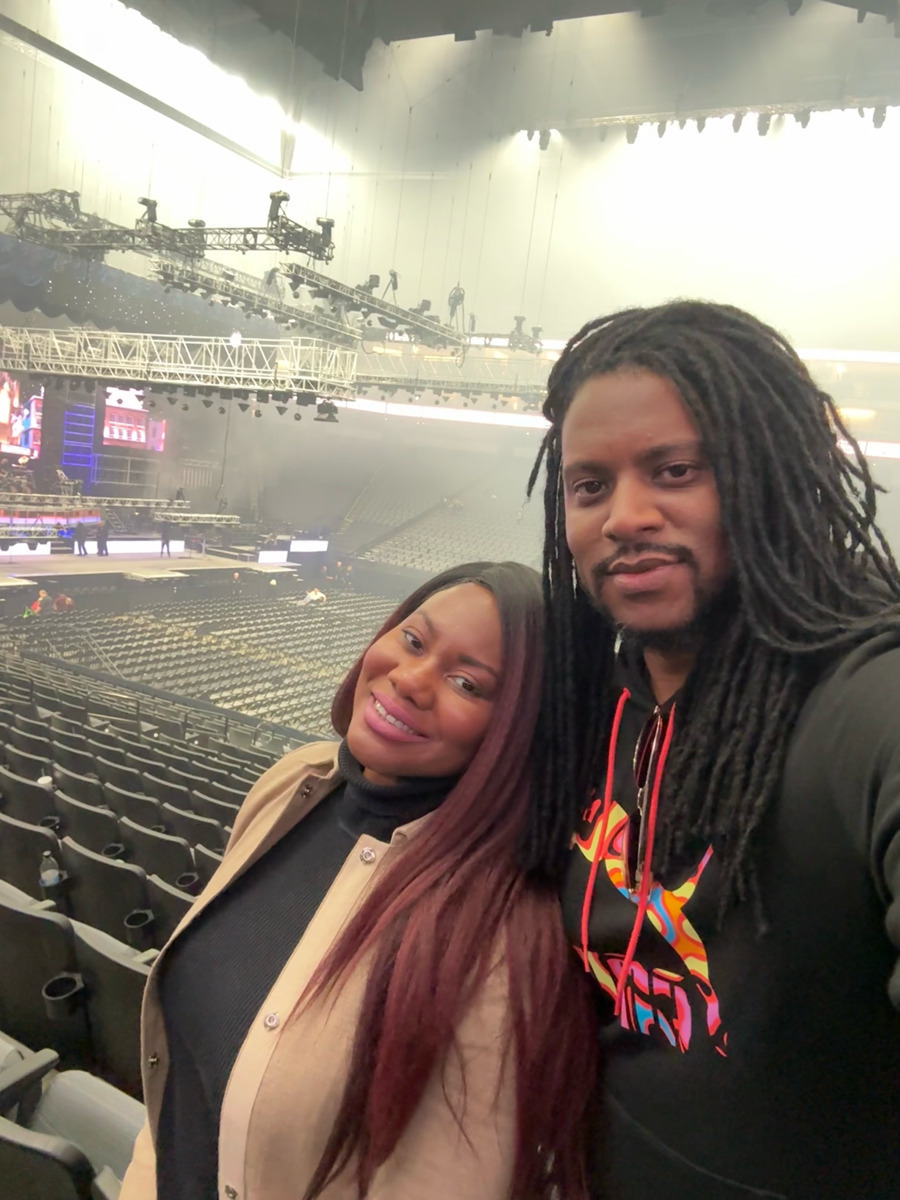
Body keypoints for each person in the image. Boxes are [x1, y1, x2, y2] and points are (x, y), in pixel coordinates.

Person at [526, 300, 900, 1200]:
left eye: (676, 471)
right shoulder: (585, 706)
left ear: (770, 475)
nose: (625, 516)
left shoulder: (864, 700)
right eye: (589, 486)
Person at [120, 562, 597, 1200]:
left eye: (467, 683)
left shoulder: (499, 942)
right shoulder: (292, 782)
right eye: (414, 640)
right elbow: (182, 1089)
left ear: (519, 732)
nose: (410, 680)